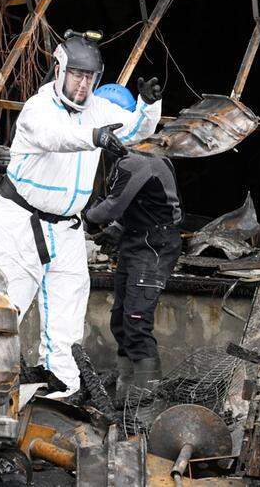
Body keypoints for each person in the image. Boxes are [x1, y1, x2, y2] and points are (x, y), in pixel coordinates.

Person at [0, 31, 163, 396]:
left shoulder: (97, 107)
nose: (83, 85)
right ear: (60, 70)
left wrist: (147, 105)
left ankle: (59, 400)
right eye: (77, 75)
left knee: (67, 325)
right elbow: (57, 137)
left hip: (66, 230)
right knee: (4, 312)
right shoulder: (38, 108)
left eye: (90, 78)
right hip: (19, 223)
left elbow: (133, 131)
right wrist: (94, 136)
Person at [85, 83, 183, 399]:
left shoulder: (137, 161)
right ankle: (126, 387)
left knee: (137, 319)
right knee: (121, 318)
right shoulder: (138, 155)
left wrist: (85, 219)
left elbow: (112, 206)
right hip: (139, 240)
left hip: (154, 245)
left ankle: (147, 393)